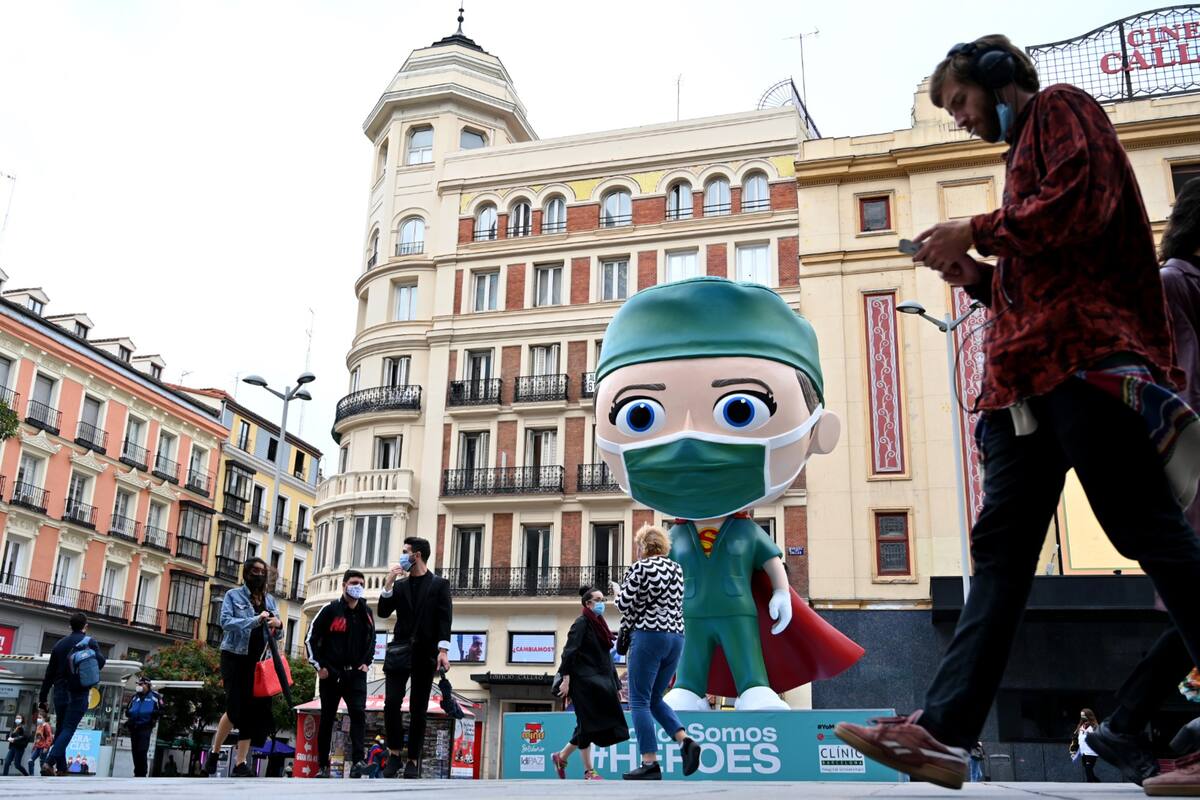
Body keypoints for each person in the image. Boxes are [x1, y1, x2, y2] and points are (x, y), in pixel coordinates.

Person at [834, 34, 1200, 792]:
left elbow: (1078, 206)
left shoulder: (1061, 109)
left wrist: (975, 230)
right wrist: (975, 275)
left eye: (961, 102)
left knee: (1149, 536)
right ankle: (943, 734)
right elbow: (1036, 277)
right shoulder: (1020, 158)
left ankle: (944, 730)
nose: (960, 119)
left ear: (1000, 79)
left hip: (1084, 365)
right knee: (1003, 553)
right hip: (1029, 384)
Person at [1085, 178, 1200, 791]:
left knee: (1190, 609)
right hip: (1196, 463)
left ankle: (1127, 724)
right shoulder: (1176, 281)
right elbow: (1182, 381)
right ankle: (1128, 725)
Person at [614, 524, 700, 780]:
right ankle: (684, 740)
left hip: (648, 635)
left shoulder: (640, 568)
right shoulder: (676, 569)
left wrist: (618, 591)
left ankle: (649, 762)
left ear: (643, 546)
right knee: (654, 698)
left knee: (638, 701)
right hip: (676, 637)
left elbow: (623, 604)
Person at [378, 537, 453, 779]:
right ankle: (394, 754)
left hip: (425, 652)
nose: (402, 556)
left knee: (418, 708)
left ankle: (412, 759)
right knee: (391, 702)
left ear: (417, 555)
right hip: (399, 651)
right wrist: (388, 583)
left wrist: (443, 651)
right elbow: (383, 612)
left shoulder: (439, 585)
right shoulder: (400, 586)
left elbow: (445, 619)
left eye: (405, 552)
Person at [202, 557, 282, 778]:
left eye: (262, 571)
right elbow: (226, 622)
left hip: (258, 662)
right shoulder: (233, 595)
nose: (259, 575)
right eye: (255, 571)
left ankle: (240, 763)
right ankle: (215, 752)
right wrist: (255, 620)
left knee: (252, 710)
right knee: (235, 708)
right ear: (246, 573)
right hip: (235, 658)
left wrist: (278, 624)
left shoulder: (270, 601)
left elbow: (278, 634)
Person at [550, 586, 630, 781]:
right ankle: (589, 771)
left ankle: (561, 756)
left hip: (601, 683)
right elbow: (569, 652)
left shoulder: (600, 624)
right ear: (588, 603)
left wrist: (616, 685)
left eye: (603, 599)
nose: (602, 603)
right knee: (586, 724)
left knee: (590, 723)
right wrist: (566, 680)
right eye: (598, 600)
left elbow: (606, 658)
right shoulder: (581, 623)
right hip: (582, 683)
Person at [306, 569, 375, 779]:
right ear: (344, 585)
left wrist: (366, 663)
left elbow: (372, 639)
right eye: (354, 582)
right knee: (327, 718)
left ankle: (358, 762)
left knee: (358, 715)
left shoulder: (366, 612)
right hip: (332, 673)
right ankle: (323, 766)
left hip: (356, 674)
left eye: (361, 583)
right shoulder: (330, 610)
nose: (358, 586)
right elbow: (310, 638)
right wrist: (319, 667)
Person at [38, 612, 105, 777]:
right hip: (79, 691)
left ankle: (61, 768)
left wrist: (43, 698)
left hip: (59, 691)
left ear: (70, 626)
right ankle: (49, 762)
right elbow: (101, 662)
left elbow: (49, 674)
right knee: (68, 728)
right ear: (85, 626)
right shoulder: (89, 642)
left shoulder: (59, 645)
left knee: (62, 729)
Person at [125, 677, 164, 777]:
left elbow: (162, 710)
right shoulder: (135, 697)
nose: (139, 686)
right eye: (139, 684)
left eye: (141, 684)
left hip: (145, 727)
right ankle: (137, 772)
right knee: (135, 751)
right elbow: (128, 710)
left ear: (148, 685)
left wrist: (153, 714)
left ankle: (142, 773)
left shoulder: (155, 697)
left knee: (142, 750)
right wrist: (130, 715)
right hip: (134, 727)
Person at [1071, 709, 1100, 782]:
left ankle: (1090, 783)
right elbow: (1075, 738)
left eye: (1085, 716)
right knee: (1088, 769)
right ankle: (1097, 782)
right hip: (1083, 751)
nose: (1084, 718)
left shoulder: (1095, 726)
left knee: (1088, 768)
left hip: (1092, 752)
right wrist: (1073, 750)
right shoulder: (1080, 726)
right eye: (1082, 716)